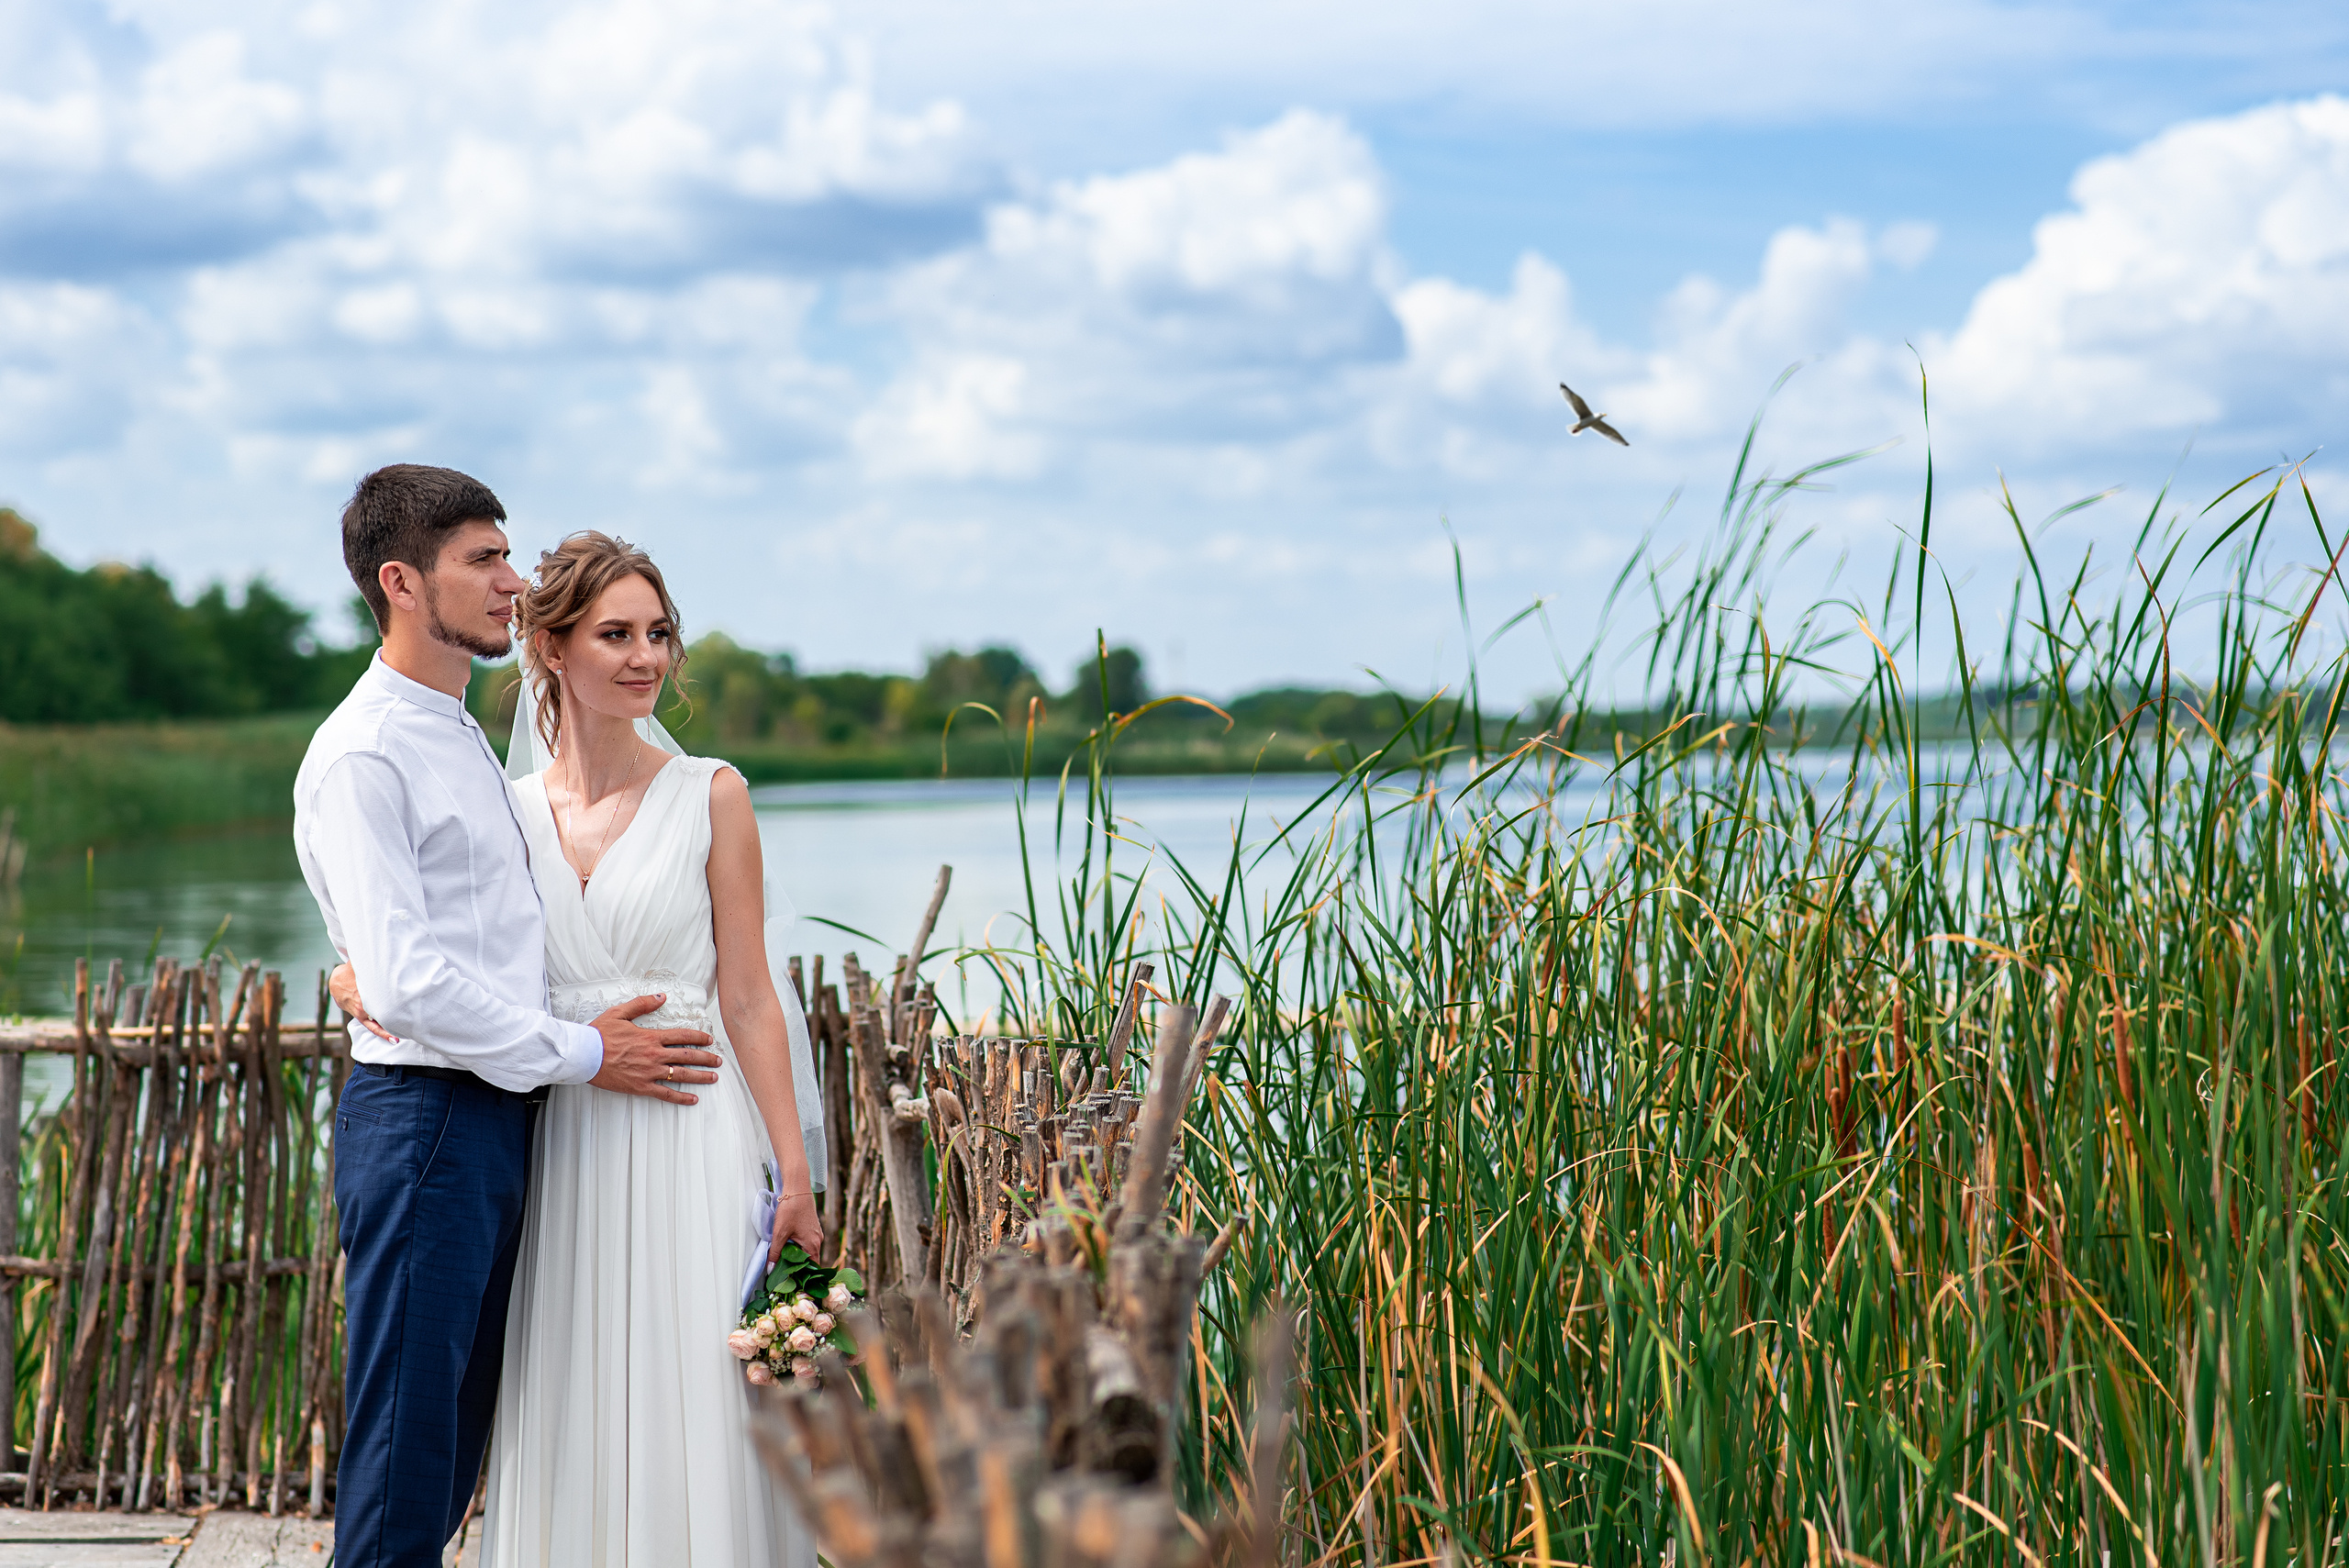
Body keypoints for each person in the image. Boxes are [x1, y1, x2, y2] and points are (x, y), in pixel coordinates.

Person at [335, 531, 824, 1567]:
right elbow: (425, 944)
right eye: (615, 633)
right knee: (569, 1387)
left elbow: (747, 994)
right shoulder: (506, 810)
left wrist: (794, 1167)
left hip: (693, 1131)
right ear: (551, 648)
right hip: (560, 1143)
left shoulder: (714, 793)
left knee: (694, 1396)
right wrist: (351, 975)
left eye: (658, 633)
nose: (646, 656)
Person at [295, 466, 725, 1568]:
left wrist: (366, 978)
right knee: (404, 1448)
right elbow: (408, 983)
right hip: (428, 1119)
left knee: (450, 1446)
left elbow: (462, 943)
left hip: (491, 1119)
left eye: (508, 552)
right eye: (483, 560)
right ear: (401, 580)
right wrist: (586, 1048)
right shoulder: (364, 752)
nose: (513, 581)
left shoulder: (458, 736)